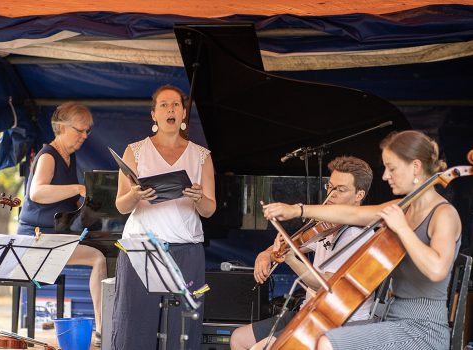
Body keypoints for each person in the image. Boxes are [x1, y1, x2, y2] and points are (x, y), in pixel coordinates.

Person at [263, 130, 461, 350]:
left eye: (392, 168)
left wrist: (402, 229)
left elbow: (437, 269)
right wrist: (297, 210)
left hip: (423, 331)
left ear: (415, 167)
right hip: (391, 320)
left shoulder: (444, 214)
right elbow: (350, 214)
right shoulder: (403, 207)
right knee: (320, 337)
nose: (385, 176)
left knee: (329, 343)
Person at [230, 156, 375, 350]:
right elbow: (289, 246)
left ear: (359, 195)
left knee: (263, 348)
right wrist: (266, 254)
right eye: (330, 187)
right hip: (310, 310)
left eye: (340, 190)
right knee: (238, 338)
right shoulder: (326, 225)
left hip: (336, 319)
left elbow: (327, 286)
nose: (331, 194)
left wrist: (290, 260)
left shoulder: (356, 234)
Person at [112, 84, 216, 350]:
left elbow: (209, 209)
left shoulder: (202, 156)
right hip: (141, 250)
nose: (171, 109)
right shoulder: (134, 151)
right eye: (164, 105)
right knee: (134, 327)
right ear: (153, 115)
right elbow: (122, 206)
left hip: (186, 251)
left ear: (183, 114)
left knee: (181, 329)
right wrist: (135, 194)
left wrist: (198, 197)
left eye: (176, 105)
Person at [17, 102, 106, 346]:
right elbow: (37, 193)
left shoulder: (70, 156)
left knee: (104, 251)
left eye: (87, 131)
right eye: (80, 130)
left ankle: (104, 325)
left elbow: (66, 200)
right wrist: (78, 188)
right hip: (35, 239)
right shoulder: (48, 155)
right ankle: (102, 328)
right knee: (98, 258)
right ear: (62, 127)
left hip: (56, 235)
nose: (85, 136)